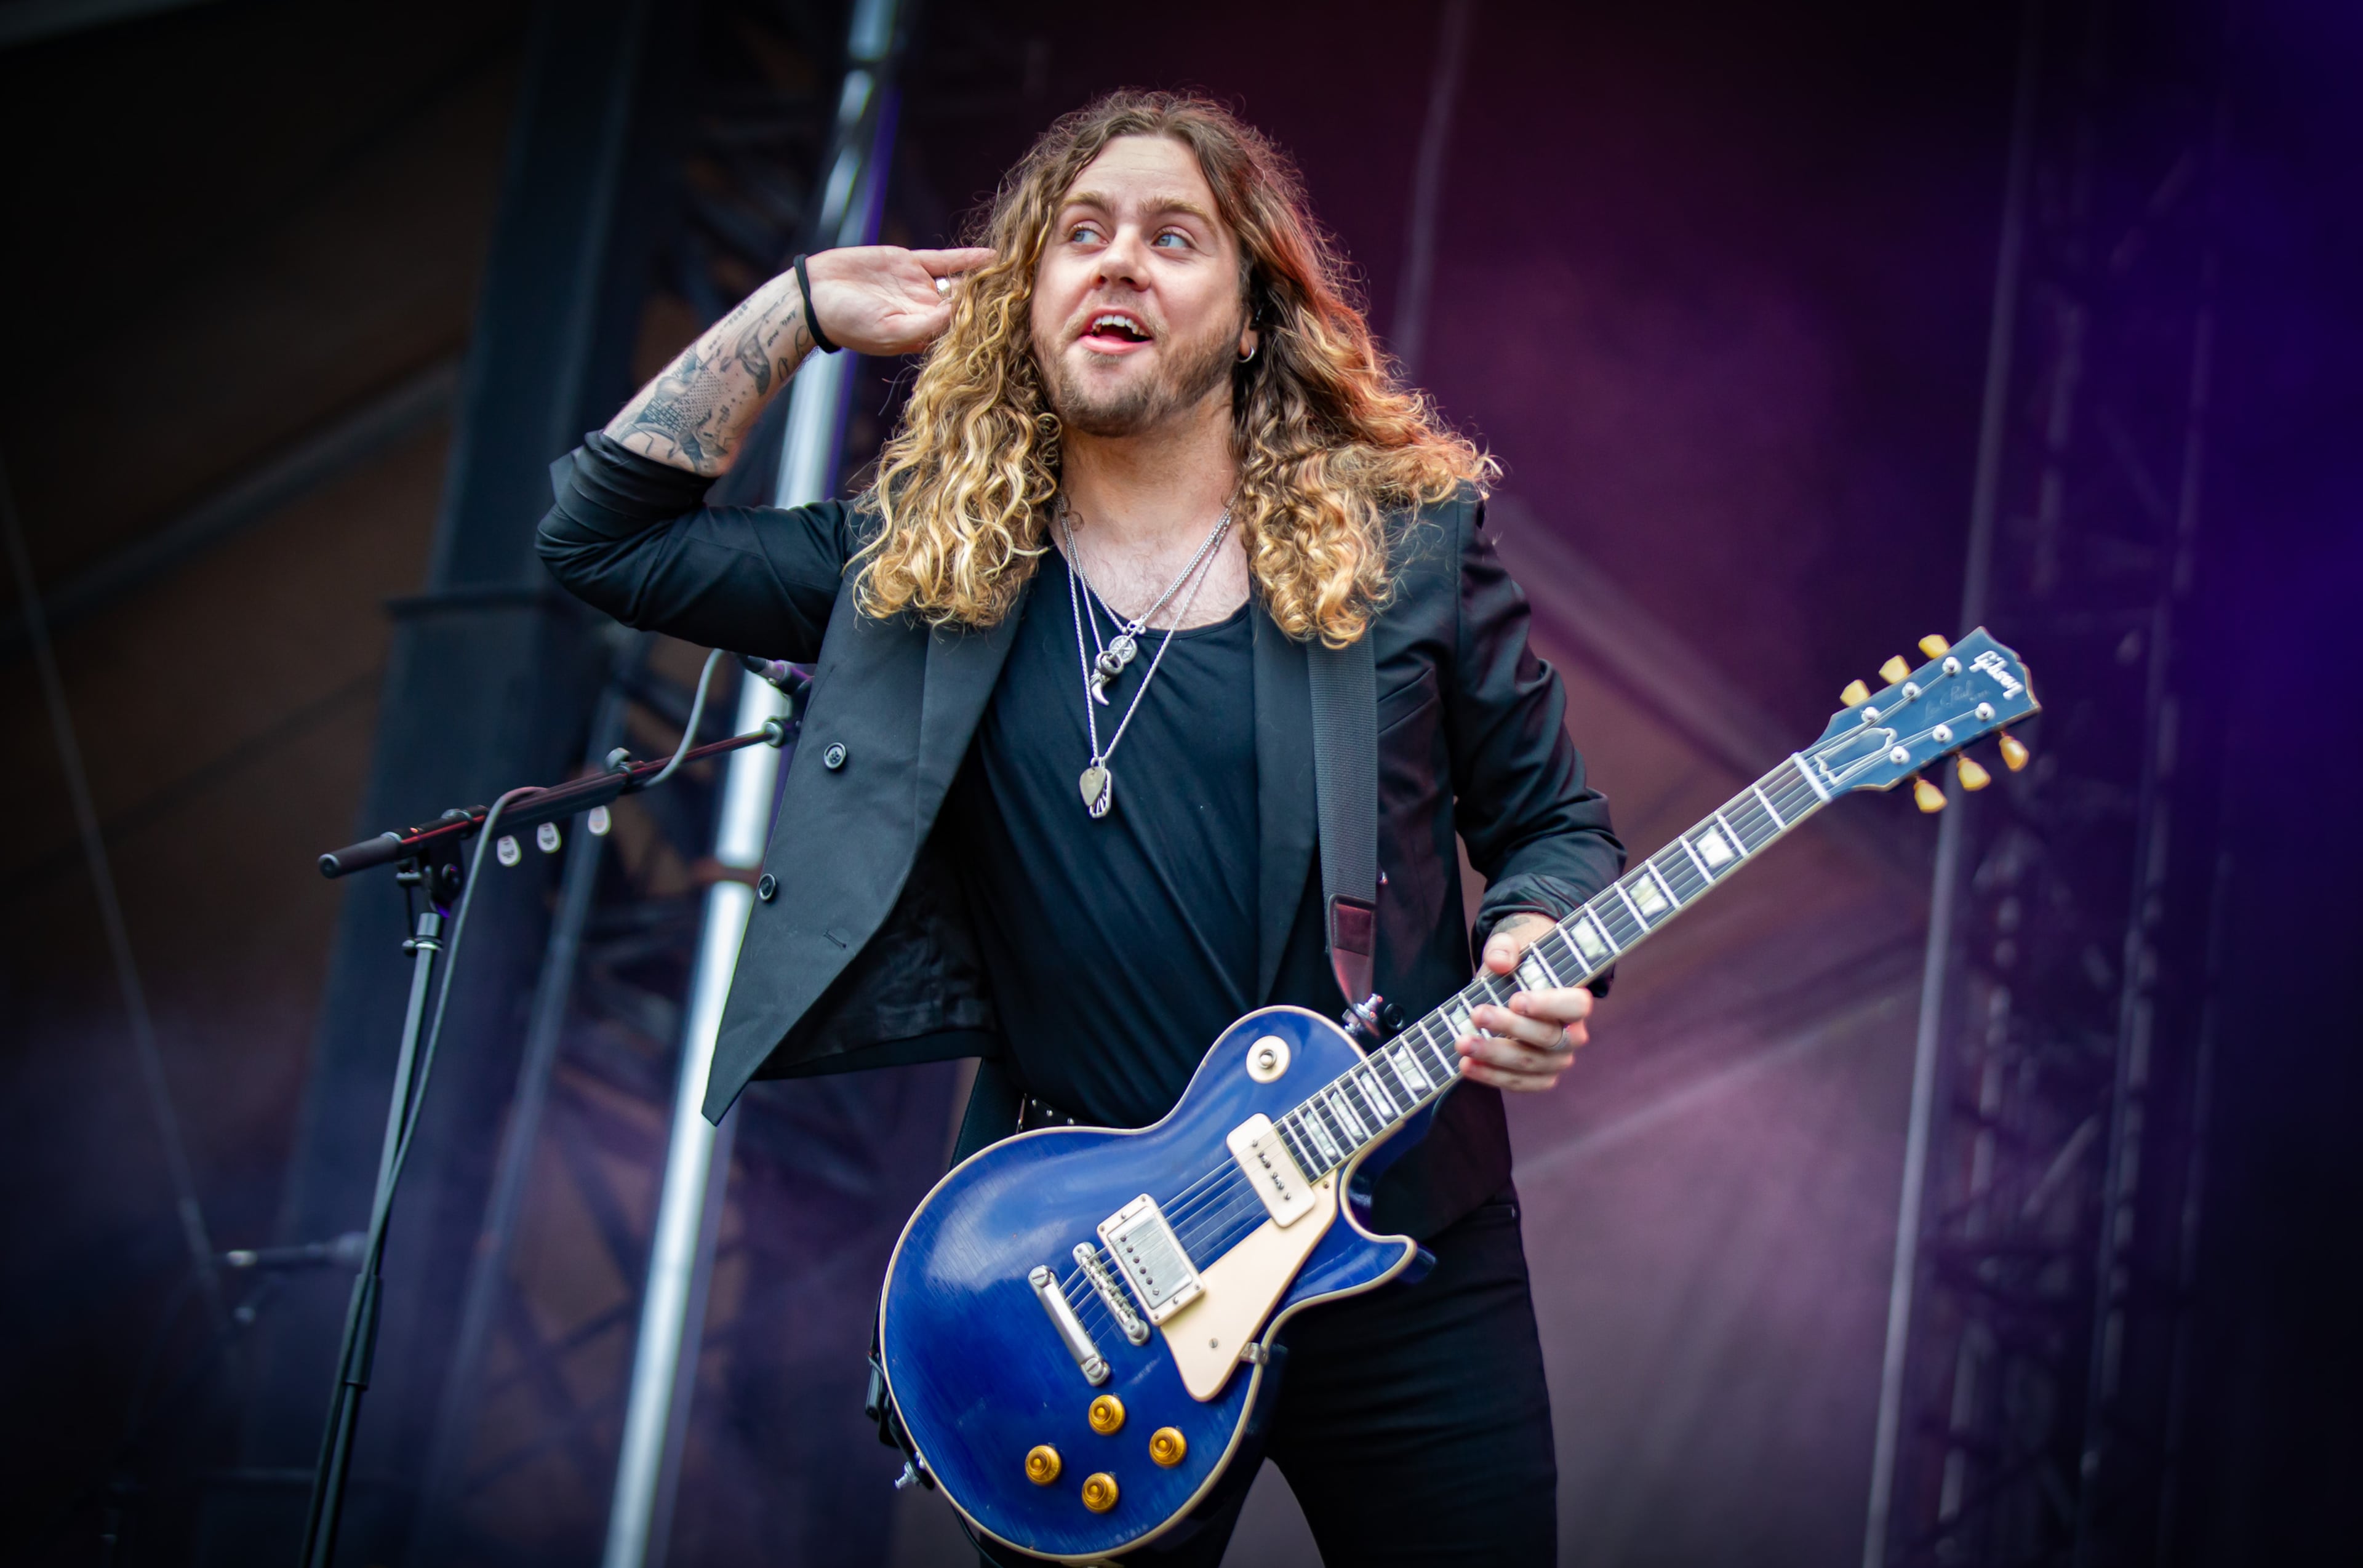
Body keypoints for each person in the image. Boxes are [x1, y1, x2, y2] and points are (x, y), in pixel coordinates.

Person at [540, 89, 1622, 1567]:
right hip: (1091, 1276)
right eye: (1079, 236)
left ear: (1252, 317)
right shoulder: (914, 576)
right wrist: (796, 311)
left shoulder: (1405, 551)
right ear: (1026, 306)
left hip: (1403, 1239)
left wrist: (1538, 937)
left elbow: (1553, 822)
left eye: (1174, 238)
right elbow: (603, 537)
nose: (1118, 262)